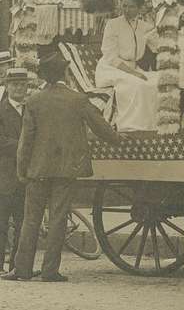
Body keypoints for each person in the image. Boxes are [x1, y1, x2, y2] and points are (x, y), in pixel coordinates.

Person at [3, 55, 121, 282]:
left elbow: (25, 142)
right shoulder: (78, 99)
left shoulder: (34, 101)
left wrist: (21, 170)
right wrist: (118, 139)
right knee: (58, 218)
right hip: (67, 169)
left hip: (37, 170)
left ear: (42, 76)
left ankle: (22, 270)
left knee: (30, 219)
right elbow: (101, 128)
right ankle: (49, 271)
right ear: (65, 74)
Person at [95, 0, 159, 132]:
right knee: (137, 85)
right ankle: (133, 127)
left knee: (156, 82)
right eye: (124, 5)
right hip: (111, 68)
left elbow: (158, 47)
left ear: (140, 8)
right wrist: (133, 73)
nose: (127, 10)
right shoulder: (112, 24)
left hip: (133, 68)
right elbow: (110, 56)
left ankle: (151, 126)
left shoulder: (145, 26)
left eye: (131, 6)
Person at [0, 68, 29, 272]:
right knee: (1, 222)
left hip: (26, 176)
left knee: (22, 222)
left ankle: (16, 266)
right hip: (4, 174)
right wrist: (25, 145)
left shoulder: (31, 109)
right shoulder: (1, 110)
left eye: (22, 84)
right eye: (15, 84)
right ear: (7, 86)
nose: (19, 87)